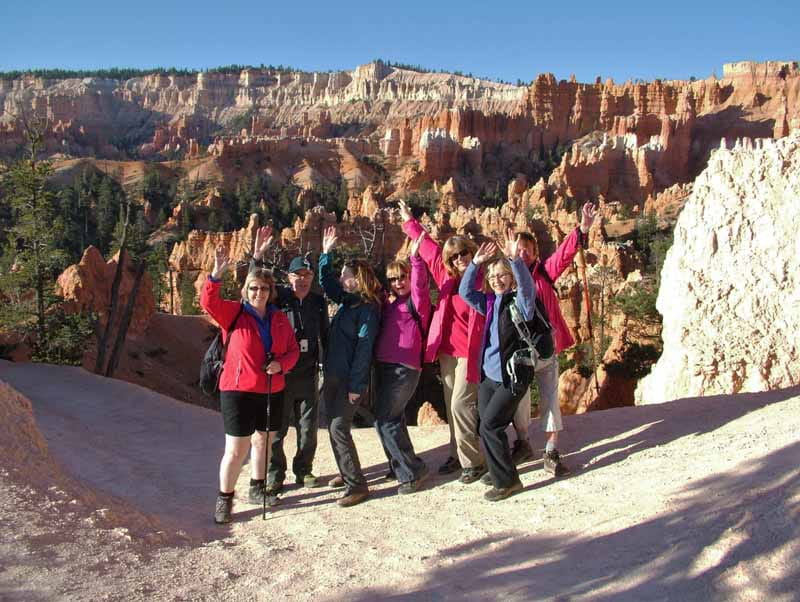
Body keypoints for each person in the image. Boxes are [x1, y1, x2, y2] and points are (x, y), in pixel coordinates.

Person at [201, 246, 300, 524]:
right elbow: (209, 302)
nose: (259, 293)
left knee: (264, 441)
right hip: (237, 390)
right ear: (246, 289)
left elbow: (292, 350)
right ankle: (225, 498)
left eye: (264, 289)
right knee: (235, 449)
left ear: (271, 292)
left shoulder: (279, 318)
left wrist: (282, 365)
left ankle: (257, 488)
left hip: (271, 388)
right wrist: (216, 274)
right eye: (254, 288)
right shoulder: (233, 313)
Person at [399, 200, 487, 484]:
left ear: (472, 254)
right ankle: (456, 453)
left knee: (462, 404)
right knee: (451, 406)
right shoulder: (445, 276)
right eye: (455, 256)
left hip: (470, 354)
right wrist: (410, 222)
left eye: (464, 254)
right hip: (447, 352)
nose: (460, 259)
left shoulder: (482, 280)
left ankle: (474, 462)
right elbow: (429, 249)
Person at [509, 202, 597, 476]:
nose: (522, 253)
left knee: (550, 399)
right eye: (518, 249)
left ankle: (551, 451)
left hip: (547, 349)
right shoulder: (506, 279)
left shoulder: (545, 273)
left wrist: (583, 227)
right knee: (519, 402)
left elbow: (566, 253)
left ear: (535, 253)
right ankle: (523, 441)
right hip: (520, 352)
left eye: (528, 249)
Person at [459, 237, 546, 501]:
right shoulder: (488, 302)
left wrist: (515, 261)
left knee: (491, 426)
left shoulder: (519, 301)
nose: (497, 279)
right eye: (493, 275)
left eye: (502, 275)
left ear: (510, 277)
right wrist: (475, 264)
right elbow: (465, 292)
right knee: (485, 426)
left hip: (513, 376)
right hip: (489, 376)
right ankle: (500, 471)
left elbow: (529, 290)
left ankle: (507, 482)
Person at [250, 226, 330, 493]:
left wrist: (327, 369)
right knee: (278, 429)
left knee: (308, 430)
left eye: (307, 274)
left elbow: (325, 336)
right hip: (281, 375)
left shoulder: (318, 302)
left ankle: (303, 470)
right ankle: (275, 473)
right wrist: (257, 257)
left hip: (308, 375)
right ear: (289, 276)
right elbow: (255, 285)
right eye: (298, 274)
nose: (303, 279)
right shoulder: (279, 297)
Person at [318, 226, 381, 507]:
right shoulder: (347, 302)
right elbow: (327, 283)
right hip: (332, 375)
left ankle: (357, 485)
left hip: (347, 380)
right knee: (334, 426)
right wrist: (325, 255)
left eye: (345, 275)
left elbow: (364, 351)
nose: (341, 279)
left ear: (357, 279)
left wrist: (357, 386)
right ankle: (347, 474)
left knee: (338, 428)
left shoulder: (366, 309)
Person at [372, 233, 431, 494]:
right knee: (384, 418)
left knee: (387, 419)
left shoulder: (417, 302)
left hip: (404, 368)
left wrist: (415, 260)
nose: (398, 283)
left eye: (402, 277)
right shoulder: (392, 304)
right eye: (393, 279)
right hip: (385, 366)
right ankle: (399, 464)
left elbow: (419, 286)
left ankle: (412, 471)